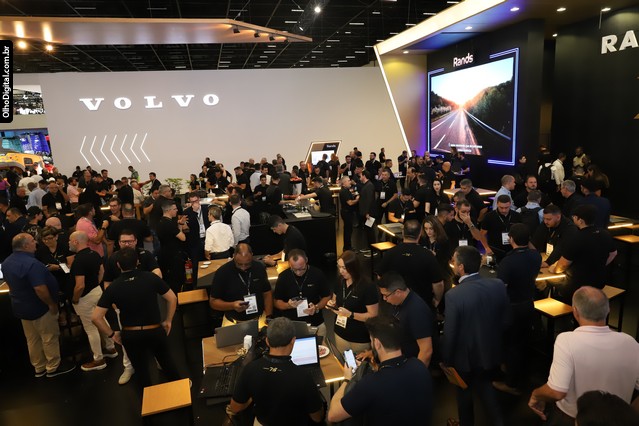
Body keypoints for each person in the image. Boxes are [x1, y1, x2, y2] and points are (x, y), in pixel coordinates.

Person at [528, 287, 639, 425]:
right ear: (608, 309)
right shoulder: (631, 342)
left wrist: (536, 395)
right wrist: (630, 415)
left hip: (572, 418)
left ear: (575, 311)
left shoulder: (566, 340)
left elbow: (556, 392)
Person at [92, 247, 182, 388]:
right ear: (138, 262)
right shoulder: (151, 278)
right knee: (168, 365)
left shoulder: (113, 287)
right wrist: (168, 320)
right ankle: (181, 393)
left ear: (118, 265)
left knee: (141, 373)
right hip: (154, 330)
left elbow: (96, 317)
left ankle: (148, 399)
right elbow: (172, 298)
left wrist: (112, 334)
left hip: (130, 335)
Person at [442, 246, 509, 426]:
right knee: (487, 391)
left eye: (454, 261)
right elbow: (505, 320)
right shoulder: (497, 285)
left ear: (461, 267)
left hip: (465, 358)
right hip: (491, 352)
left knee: (464, 395)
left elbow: (450, 333)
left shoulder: (453, 295)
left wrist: (446, 361)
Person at [327, 316, 433, 425]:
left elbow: (333, 415)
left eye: (371, 340)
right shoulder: (419, 365)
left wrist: (347, 379)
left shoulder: (370, 384)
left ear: (377, 343)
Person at [3, 233, 76, 378]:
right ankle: (53, 366)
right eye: (32, 241)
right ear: (25, 246)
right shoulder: (32, 264)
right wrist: (51, 304)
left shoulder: (7, 263)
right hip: (39, 308)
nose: (35, 243)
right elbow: (40, 288)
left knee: (32, 339)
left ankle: (39, 366)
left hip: (21, 307)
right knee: (49, 336)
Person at [228, 317, 325, 425]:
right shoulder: (303, 376)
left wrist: (253, 395)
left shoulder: (250, 369)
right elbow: (317, 417)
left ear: (267, 341)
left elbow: (235, 407)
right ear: (293, 341)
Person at [103, 230, 162, 385]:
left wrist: (148, 287)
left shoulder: (145, 255)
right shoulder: (113, 259)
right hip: (123, 306)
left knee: (155, 335)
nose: (127, 244)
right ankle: (128, 367)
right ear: (119, 243)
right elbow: (107, 282)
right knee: (126, 339)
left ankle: (160, 360)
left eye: (129, 241)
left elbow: (157, 272)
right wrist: (113, 302)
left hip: (147, 303)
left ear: (136, 241)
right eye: (123, 241)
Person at [492, 224, 542, 396]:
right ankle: (518, 371)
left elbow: (502, 288)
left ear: (511, 239)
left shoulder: (508, 261)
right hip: (528, 304)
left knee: (511, 344)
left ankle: (511, 383)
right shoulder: (535, 256)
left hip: (512, 308)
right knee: (521, 341)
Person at [68, 231, 118, 372]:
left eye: (70, 240)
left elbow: (80, 285)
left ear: (76, 242)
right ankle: (111, 348)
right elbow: (102, 272)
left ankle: (98, 359)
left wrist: (75, 299)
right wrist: (95, 284)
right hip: (97, 291)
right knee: (101, 319)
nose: (69, 243)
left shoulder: (78, 261)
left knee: (91, 328)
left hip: (85, 297)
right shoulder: (94, 254)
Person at [549, 204, 616, 303]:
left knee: (550, 281)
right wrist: (599, 265)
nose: (573, 218)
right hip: (599, 282)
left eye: (574, 216)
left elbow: (563, 265)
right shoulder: (605, 234)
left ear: (580, 220)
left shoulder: (576, 238)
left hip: (577, 286)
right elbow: (613, 253)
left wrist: (554, 269)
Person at [376, 220, 444, 310]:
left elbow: (380, 276)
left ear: (403, 232)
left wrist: (389, 295)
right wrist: (436, 300)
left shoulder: (391, 253)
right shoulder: (428, 255)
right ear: (420, 234)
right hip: (422, 302)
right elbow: (438, 284)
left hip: (396, 303)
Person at [377, 272, 434, 366]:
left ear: (398, 292)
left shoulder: (417, 311)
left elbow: (426, 350)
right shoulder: (398, 302)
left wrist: (416, 372)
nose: (384, 299)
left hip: (412, 363)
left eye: (386, 295)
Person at [209, 243, 273, 326]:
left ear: (252, 255)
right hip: (232, 322)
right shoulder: (223, 272)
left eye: (247, 264)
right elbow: (213, 302)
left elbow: (267, 293)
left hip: (260, 320)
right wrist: (232, 305)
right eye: (239, 264)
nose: (243, 267)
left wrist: (269, 316)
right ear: (233, 256)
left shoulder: (259, 268)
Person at [330, 250, 378, 354]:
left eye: (344, 268)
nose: (341, 271)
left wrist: (350, 314)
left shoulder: (368, 286)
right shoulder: (340, 281)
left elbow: (373, 315)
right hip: (340, 332)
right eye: (339, 267)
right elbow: (334, 300)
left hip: (359, 338)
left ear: (353, 267)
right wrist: (332, 304)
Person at [273, 249, 332, 335]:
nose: (298, 272)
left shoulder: (317, 274)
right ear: (289, 264)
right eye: (294, 269)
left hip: (316, 324)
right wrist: (288, 305)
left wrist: (316, 307)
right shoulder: (283, 277)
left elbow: (327, 296)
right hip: (292, 326)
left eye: (302, 269)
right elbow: (277, 301)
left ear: (306, 260)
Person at [156, 200, 187, 293]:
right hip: (173, 256)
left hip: (164, 253)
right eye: (174, 209)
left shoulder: (160, 222)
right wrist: (181, 226)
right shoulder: (169, 224)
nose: (177, 210)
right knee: (177, 280)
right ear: (168, 210)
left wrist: (180, 224)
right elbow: (183, 238)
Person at [480, 194, 522, 262]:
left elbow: (520, 233)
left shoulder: (517, 216)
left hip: (512, 250)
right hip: (495, 250)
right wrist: (486, 247)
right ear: (497, 204)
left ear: (510, 204)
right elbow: (482, 234)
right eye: (501, 207)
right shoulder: (489, 217)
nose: (504, 210)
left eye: (506, 207)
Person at [183, 192, 210, 274]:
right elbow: (189, 226)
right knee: (196, 263)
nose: (194, 203)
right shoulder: (187, 212)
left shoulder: (206, 209)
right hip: (195, 240)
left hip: (207, 238)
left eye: (196, 201)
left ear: (199, 199)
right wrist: (194, 212)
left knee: (208, 261)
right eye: (192, 202)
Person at [339, 176, 358, 252]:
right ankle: (347, 247)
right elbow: (350, 203)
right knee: (348, 230)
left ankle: (347, 246)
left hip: (347, 212)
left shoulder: (346, 190)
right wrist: (357, 200)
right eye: (348, 181)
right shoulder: (344, 191)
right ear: (344, 183)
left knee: (348, 230)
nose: (350, 182)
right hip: (347, 213)